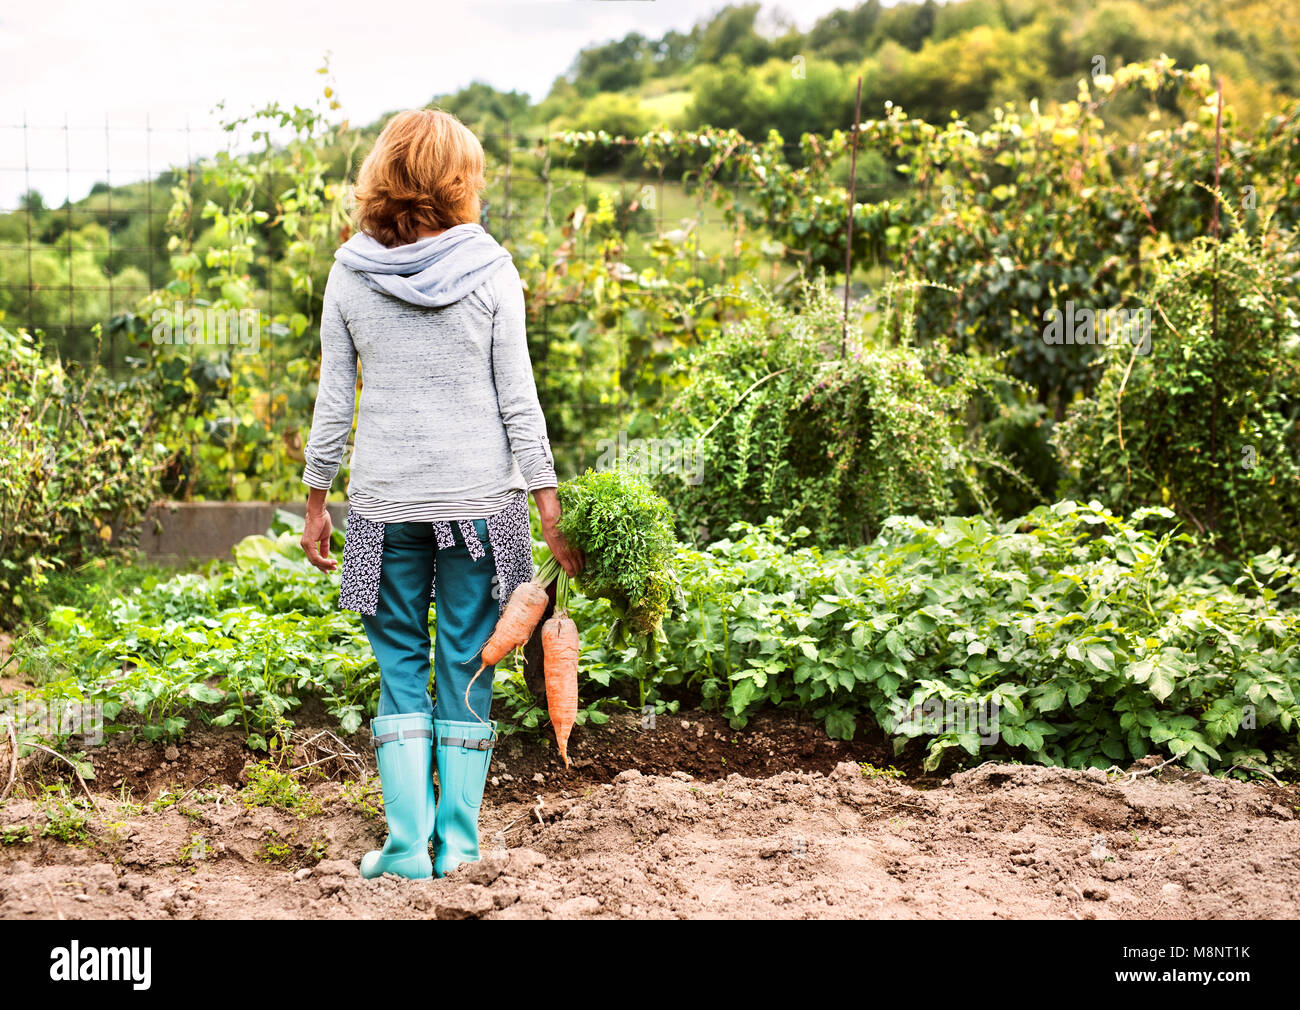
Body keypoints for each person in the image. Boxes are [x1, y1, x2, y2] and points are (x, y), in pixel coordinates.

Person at [298, 108, 582, 880]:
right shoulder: (491, 269)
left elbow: (333, 401)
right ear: (461, 182)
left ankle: (403, 849)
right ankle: (458, 846)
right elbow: (519, 398)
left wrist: (317, 499)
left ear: (382, 175)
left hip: (383, 509)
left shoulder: (349, 271)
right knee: (467, 661)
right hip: (481, 507)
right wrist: (547, 504)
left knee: (398, 661)